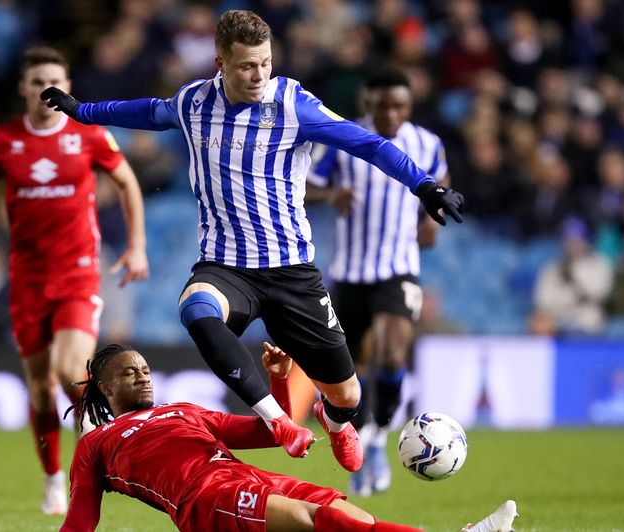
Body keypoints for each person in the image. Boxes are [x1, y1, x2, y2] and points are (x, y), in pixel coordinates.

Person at [41, 9, 465, 473]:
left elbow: (366, 143)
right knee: (196, 309)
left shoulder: (292, 104)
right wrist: (82, 110)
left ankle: (334, 417)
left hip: (292, 272)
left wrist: (426, 186)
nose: (259, 74)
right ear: (220, 62)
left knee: (348, 395)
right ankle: (277, 420)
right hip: (227, 266)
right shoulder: (194, 103)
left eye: (265, 62)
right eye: (247, 66)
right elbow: (146, 111)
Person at [0, 46, 149, 515]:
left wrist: (137, 245)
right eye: (38, 81)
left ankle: (94, 445)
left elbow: (127, 182)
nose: (47, 89)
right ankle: (51, 478)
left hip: (78, 272)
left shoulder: (88, 134)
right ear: (24, 89)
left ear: (67, 89)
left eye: (57, 81)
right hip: (27, 279)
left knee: (71, 370)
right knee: (41, 388)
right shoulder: (3, 140)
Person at [61, 342, 518, 532]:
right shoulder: (95, 444)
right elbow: (80, 521)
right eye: (128, 373)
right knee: (314, 518)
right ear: (105, 386)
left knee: (348, 517)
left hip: (250, 477)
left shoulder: (185, 411)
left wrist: (279, 383)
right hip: (203, 499)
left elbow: (270, 432)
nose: (142, 377)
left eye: (144, 369)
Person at [304, 68, 445, 496]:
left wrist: (432, 220)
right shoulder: (344, 140)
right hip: (349, 272)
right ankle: (363, 442)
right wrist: (332, 196)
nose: (390, 113)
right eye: (382, 104)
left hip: (399, 268)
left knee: (390, 346)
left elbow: (440, 184)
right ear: (368, 102)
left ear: (409, 105)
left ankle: (381, 439)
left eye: (399, 105)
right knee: (353, 369)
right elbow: (304, 187)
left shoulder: (427, 144)